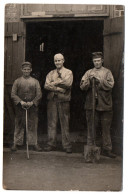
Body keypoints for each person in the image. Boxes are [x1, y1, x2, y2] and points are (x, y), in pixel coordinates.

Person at [80, 52, 116, 158]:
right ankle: (90, 148)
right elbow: (82, 86)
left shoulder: (107, 72)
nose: (96, 63)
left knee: (106, 128)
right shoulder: (89, 72)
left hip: (104, 104)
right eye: (95, 61)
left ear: (102, 61)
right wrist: (88, 82)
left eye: (98, 60)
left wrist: (100, 81)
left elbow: (111, 84)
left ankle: (107, 149)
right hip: (91, 104)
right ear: (93, 62)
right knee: (91, 127)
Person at [44, 53, 73, 153]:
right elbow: (46, 85)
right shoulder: (51, 73)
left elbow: (68, 84)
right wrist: (59, 88)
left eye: (59, 60)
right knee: (51, 122)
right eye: (56, 61)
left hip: (64, 100)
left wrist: (54, 83)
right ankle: (51, 144)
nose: (57, 62)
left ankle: (67, 145)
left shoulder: (68, 72)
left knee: (65, 122)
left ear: (63, 60)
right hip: (52, 100)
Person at [11, 61, 42, 152]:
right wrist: (21, 102)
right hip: (20, 107)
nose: (26, 71)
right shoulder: (17, 81)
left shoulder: (35, 82)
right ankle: (16, 143)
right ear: (22, 70)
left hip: (32, 107)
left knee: (32, 124)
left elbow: (39, 94)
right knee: (19, 124)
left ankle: (33, 143)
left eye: (28, 69)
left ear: (31, 70)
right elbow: (13, 94)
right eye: (24, 69)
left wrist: (32, 102)